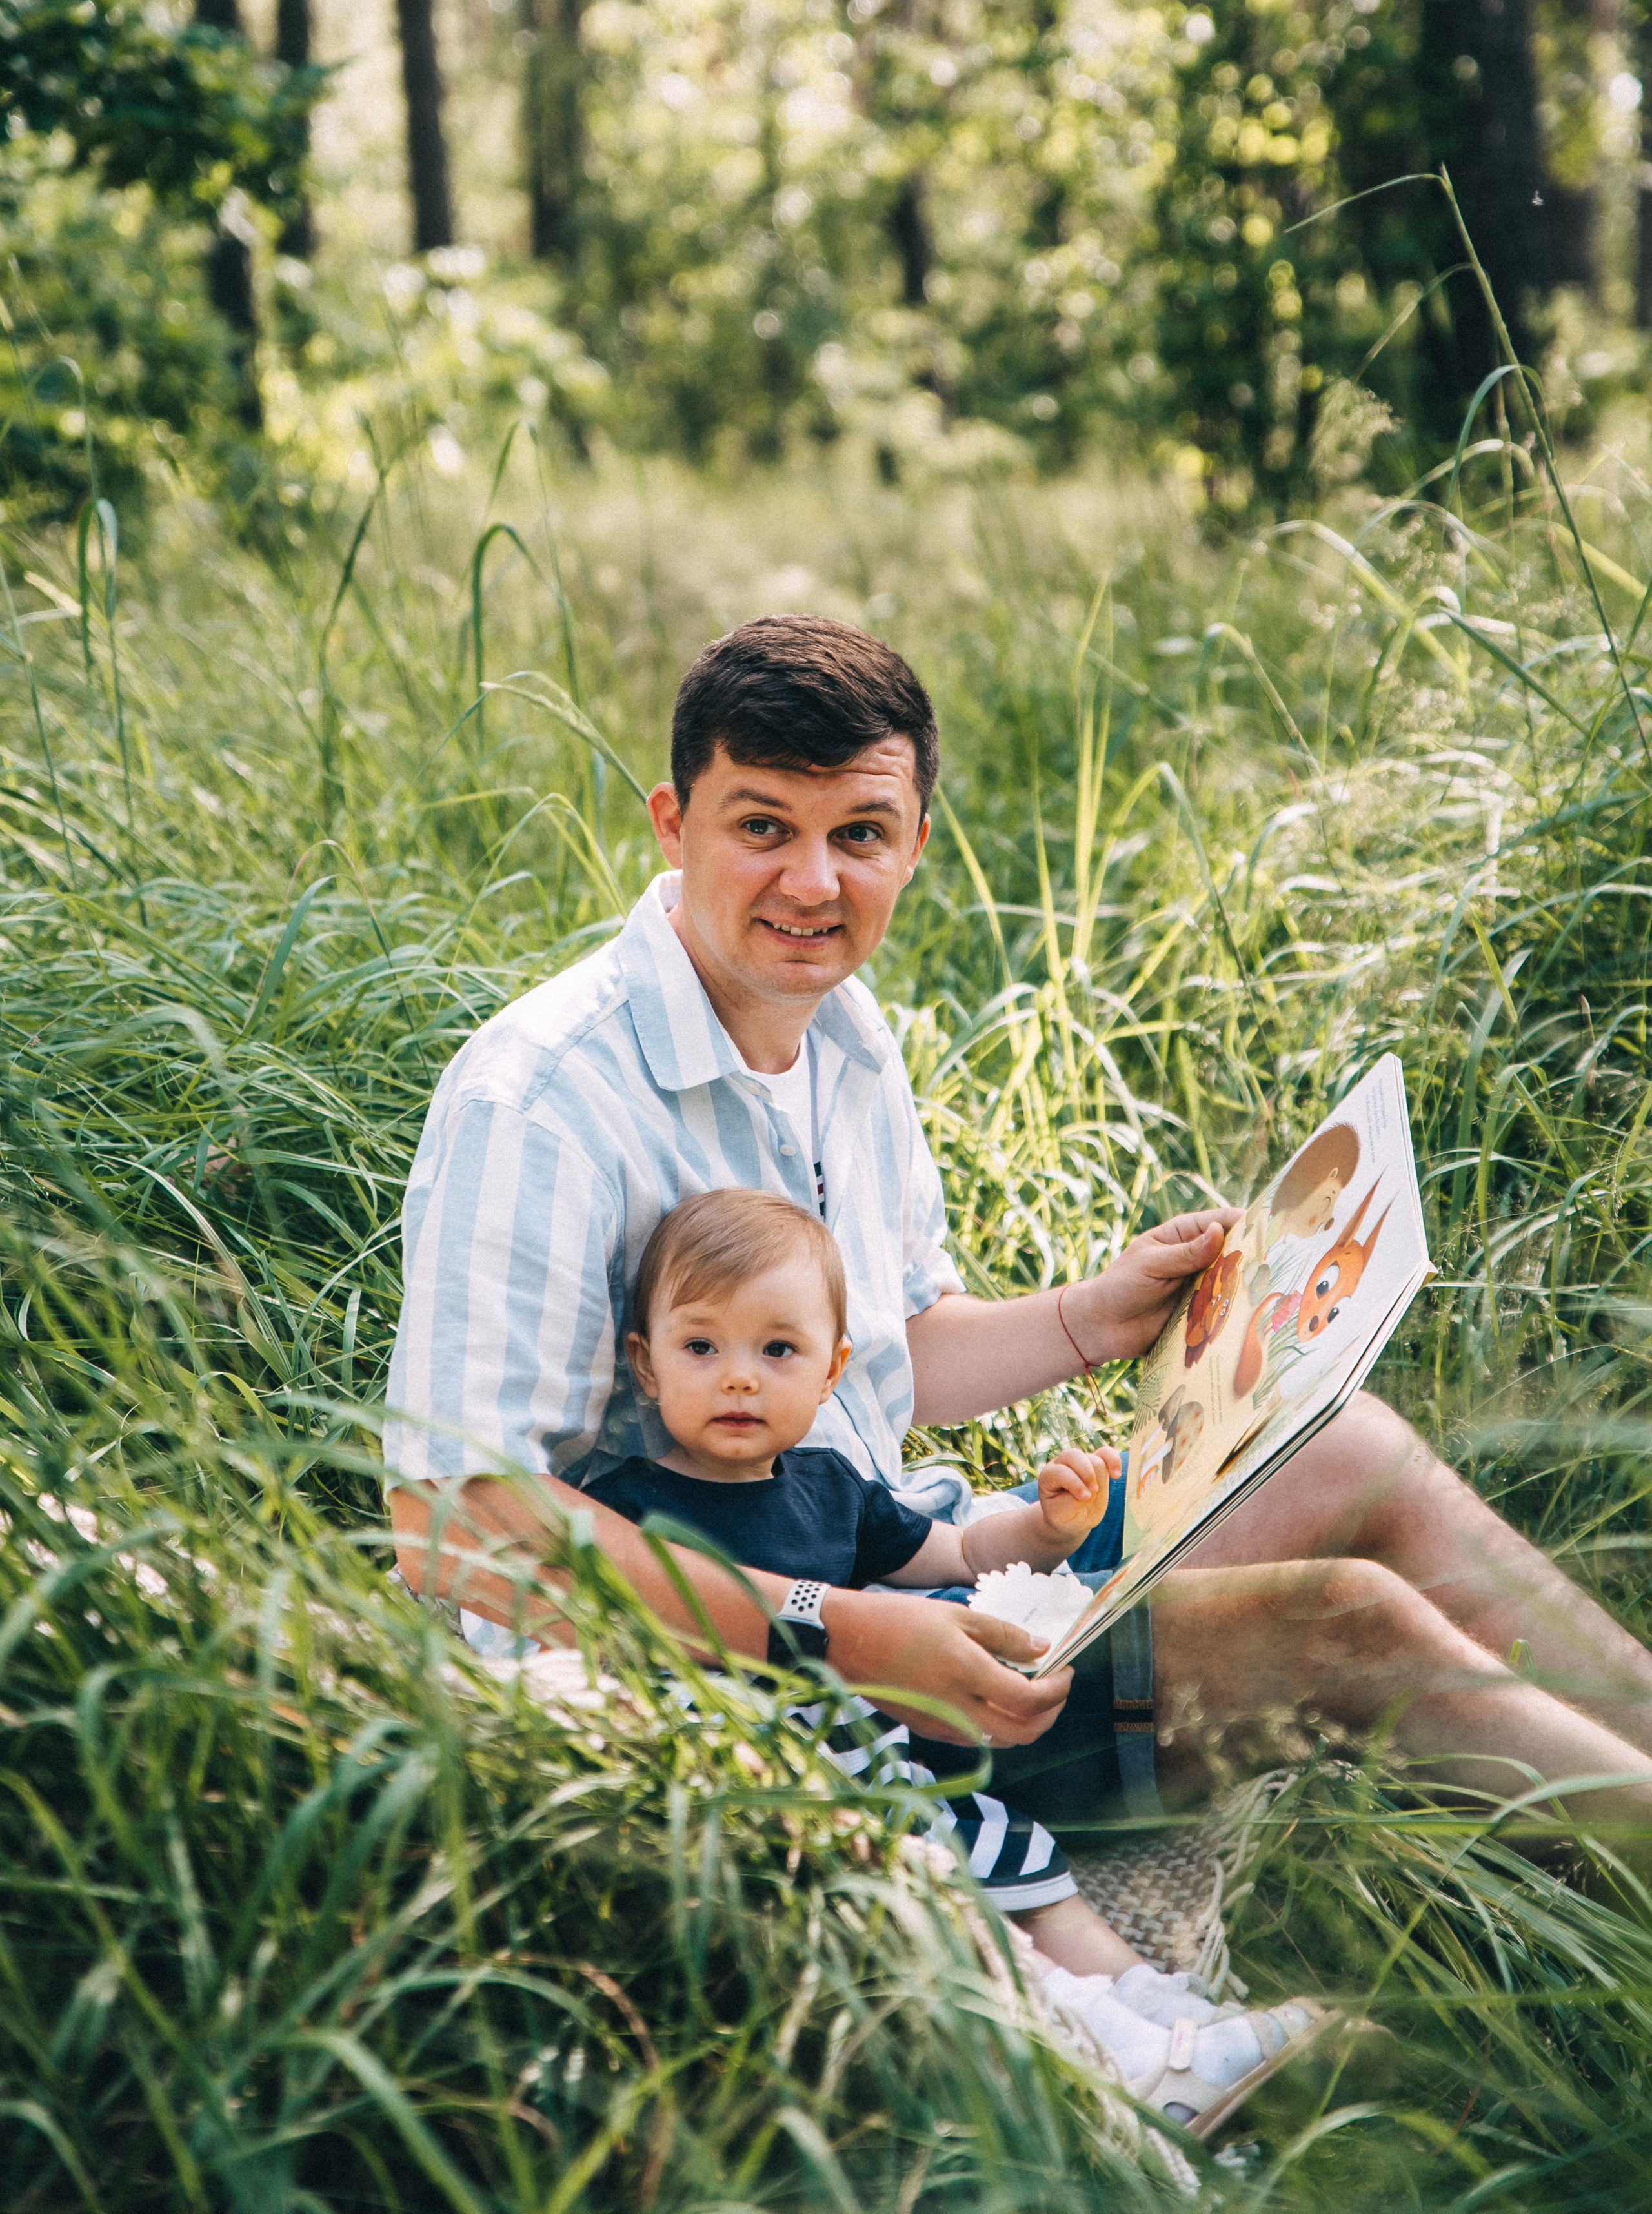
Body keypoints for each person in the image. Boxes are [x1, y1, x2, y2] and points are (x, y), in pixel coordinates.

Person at [387, 613, 1652, 1858]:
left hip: (892, 1578)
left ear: (915, 843)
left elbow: (883, 1352)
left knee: (1351, 1449)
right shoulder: (541, 1102)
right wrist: (846, 1631)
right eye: (762, 825)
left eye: (859, 835)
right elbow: (455, 1521)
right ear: (673, 823)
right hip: (751, 1700)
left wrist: (1082, 1318)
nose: (813, 882)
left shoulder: (840, 1033)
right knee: (1346, 1623)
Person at [584, 1183, 1341, 2133]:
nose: (740, 1378)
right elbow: (604, 1617)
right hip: (768, 1778)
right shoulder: (625, 1505)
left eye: (778, 1350)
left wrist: (1048, 1524)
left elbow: (955, 1555)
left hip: (882, 1755)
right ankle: (1128, 2054)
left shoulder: (830, 1490)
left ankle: (1167, 2013)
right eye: (703, 1348)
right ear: (646, 1367)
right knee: (948, 1903)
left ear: (831, 1372)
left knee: (1018, 1858)